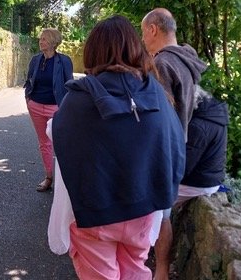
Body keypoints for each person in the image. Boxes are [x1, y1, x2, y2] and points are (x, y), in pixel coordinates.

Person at [51, 15, 185, 279]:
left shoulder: (78, 98)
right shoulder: (156, 92)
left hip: (96, 212)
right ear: (134, 47)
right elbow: (175, 146)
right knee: (135, 270)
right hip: (143, 210)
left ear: (93, 51)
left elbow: (62, 143)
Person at [141, 8, 207, 280]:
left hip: (160, 151)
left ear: (153, 29)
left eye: (143, 32)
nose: (143, 39)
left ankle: (156, 270)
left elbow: (156, 114)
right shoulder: (186, 60)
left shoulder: (164, 64)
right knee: (163, 213)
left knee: (154, 213)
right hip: (178, 146)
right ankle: (162, 270)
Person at [24, 28, 73, 192]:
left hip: (56, 108)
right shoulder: (35, 59)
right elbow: (29, 81)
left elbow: (70, 85)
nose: (41, 41)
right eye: (41, 38)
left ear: (53, 42)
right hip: (36, 106)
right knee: (44, 143)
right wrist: (28, 99)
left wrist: (65, 107)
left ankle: (66, 180)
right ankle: (49, 177)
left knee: (62, 143)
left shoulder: (64, 61)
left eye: (44, 39)